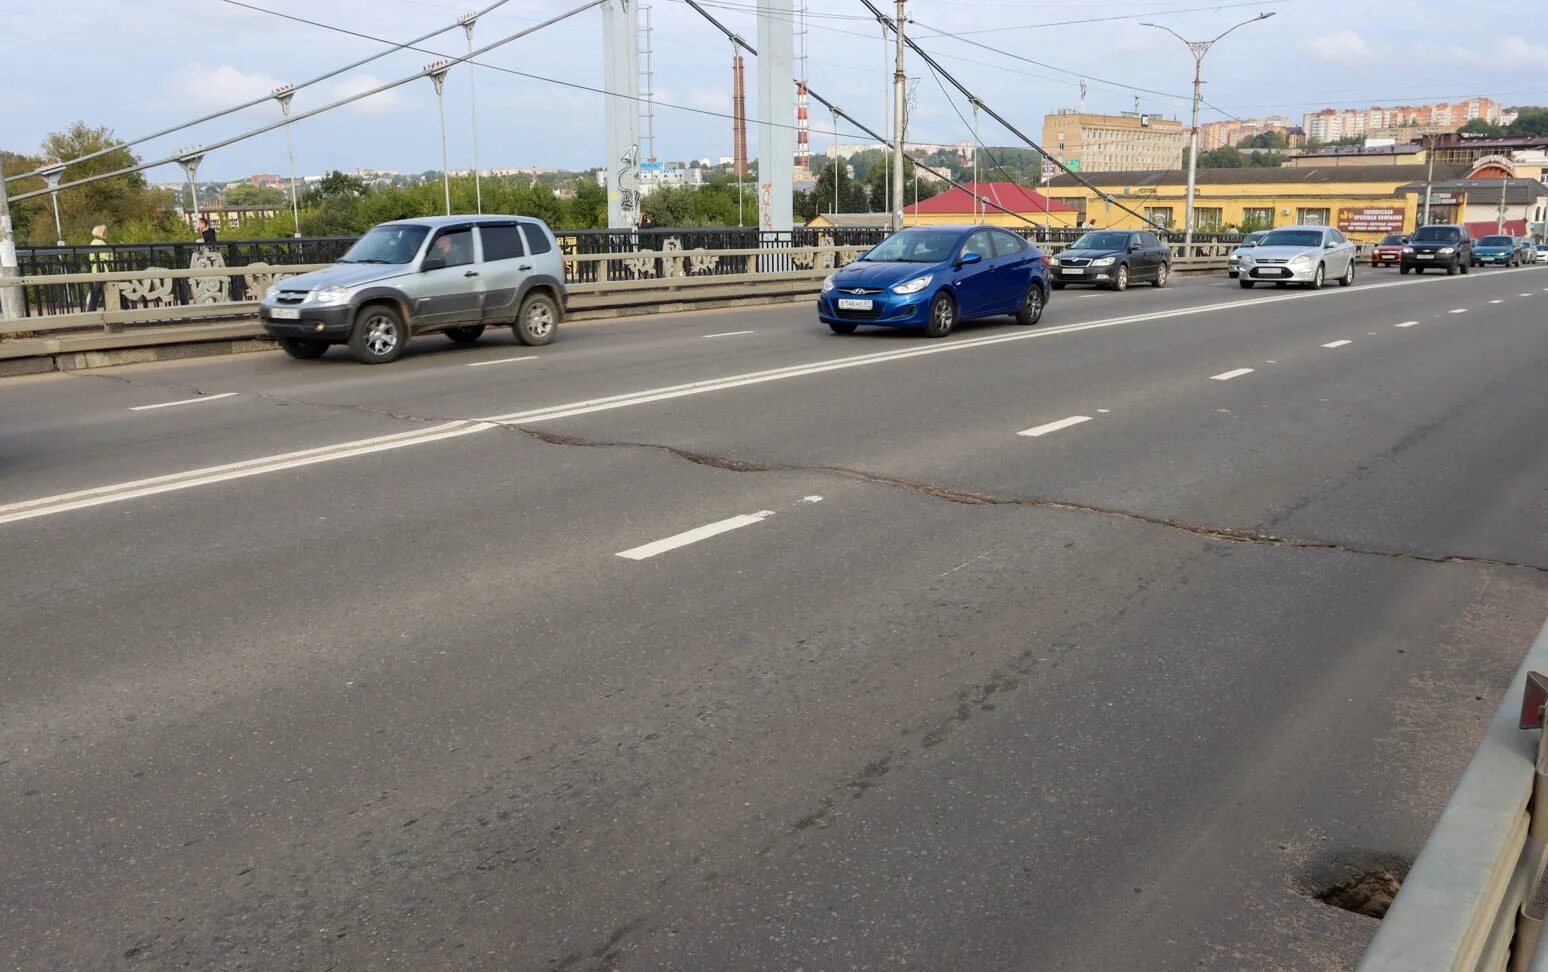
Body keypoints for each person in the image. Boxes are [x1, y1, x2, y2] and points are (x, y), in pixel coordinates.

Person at [85, 224, 109, 312]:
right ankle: (91, 310)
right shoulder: (101, 243)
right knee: (99, 292)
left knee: (95, 292)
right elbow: (104, 259)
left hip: (95, 271)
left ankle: (91, 310)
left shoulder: (93, 243)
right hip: (102, 272)